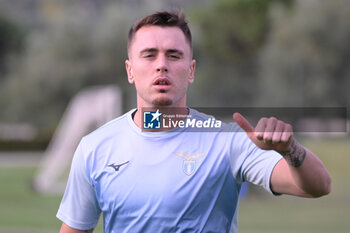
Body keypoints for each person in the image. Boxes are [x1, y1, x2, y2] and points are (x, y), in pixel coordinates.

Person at [57, 11, 331, 233]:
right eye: (149, 54)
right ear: (130, 70)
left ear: (191, 71)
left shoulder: (228, 140)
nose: (161, 65)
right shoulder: (94, 147)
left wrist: (290, 150)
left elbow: (319, 186)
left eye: (173, 55)